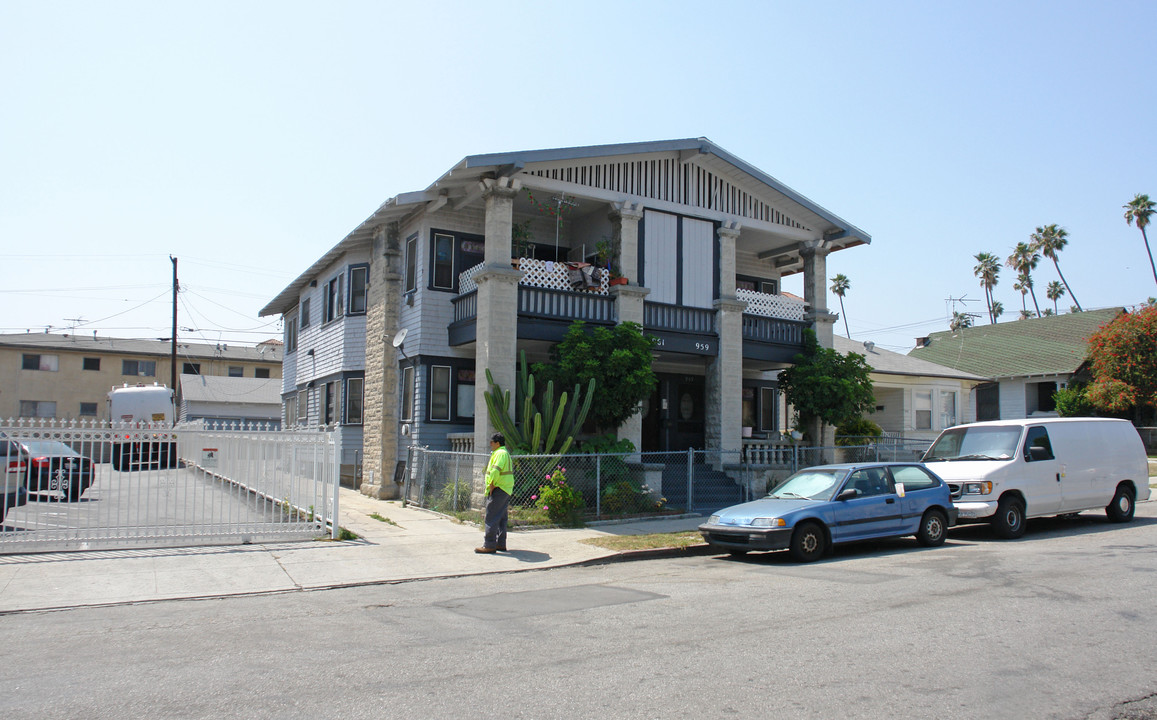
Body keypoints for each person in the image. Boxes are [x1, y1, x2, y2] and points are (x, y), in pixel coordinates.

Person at [476, 432, 513, 554]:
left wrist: (491, 485)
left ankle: (489, 545)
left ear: (497, 443)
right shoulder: (503, 453)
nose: (490, 444)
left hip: (498, 488)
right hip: (505, 488)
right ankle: (500, 544)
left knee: (491, 516)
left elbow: (495, 471)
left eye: (492, 442)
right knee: (501, 517)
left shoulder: (500, 454)